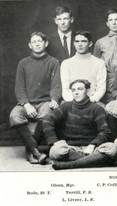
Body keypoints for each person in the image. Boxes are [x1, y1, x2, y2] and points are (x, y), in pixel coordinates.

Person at [9, 31, 61, 164]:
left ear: (46, 43)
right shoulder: (23, 63)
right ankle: (35, 151)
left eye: (40, 41)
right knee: (15, 116)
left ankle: (31, 151)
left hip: (45, 101)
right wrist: (26, 104)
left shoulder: (53, 62)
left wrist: (54, 99)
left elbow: (56, 85)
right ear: (30, 45)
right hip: (26, 103)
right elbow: (19, 88)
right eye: (34, 42)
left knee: (47, 115)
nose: (37, 44)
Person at [43, 79, 117, 170]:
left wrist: (93, 145)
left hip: (91, 148)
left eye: (80, 89)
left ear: (87, 91)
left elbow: (105, 131)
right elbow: (47, 122)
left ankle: (71, 164)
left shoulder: (97, 109)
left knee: (112, 148)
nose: (76, 93)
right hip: (70, 148)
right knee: (54, 151)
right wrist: (54, 141)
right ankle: (94, 161)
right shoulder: (65, 106)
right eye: (74, 90)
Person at [93, 9, 117, 104]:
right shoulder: (100, 42)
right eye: (110, 20)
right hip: (106, 82)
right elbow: (95, 65)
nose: (114, 22)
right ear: (107, 23)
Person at [60, 30, 106, 104]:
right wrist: (74, 102)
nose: (80, 44)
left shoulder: (99, 63)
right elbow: (65, 90)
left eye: (84, 41)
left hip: (92, 102)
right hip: (72, 103)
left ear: (90, 44)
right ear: (74, 43)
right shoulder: (66, 63)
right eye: (77, 41)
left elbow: (101, 89)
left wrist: (90, 101)